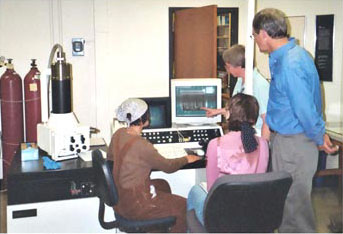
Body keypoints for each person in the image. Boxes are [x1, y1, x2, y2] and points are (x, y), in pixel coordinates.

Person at [252, 8, 338, 233]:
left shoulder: (290, 63)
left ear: (263, 34)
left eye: (254, 36)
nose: (255, 41)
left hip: (294, 144)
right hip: (287, 142)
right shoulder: (288, 56)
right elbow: (284, 101)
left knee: (294, 210)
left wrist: (319, 136)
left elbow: (305, 109)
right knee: (285, 205)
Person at [107, 98, 201, 233]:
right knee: (184, 207)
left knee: (163, 184)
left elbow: (113, 160)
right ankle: (164, 221)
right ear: (143, 119)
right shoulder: (142, 145)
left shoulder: (118, 134)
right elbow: (168, 166)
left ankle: (158, 227)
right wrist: (187, 158)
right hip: (135, 206)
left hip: (120, 198)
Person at [187, 93, 269, 225]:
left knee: (195, 191)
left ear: (229, 115)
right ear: (254, 117)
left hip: (223, 215)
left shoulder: (215, 144)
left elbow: (212, 187)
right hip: (252, 213)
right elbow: (259, 180)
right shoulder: (263, 144)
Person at [202, 44, 270, 139]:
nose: (227, 70)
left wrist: (263, 147)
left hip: (255, 136)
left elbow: (267, 120)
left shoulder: (260, 85)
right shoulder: (240, 80)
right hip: (241, 134)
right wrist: (217, 111)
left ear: (240, 66)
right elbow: (238, 110)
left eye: (228, 67)